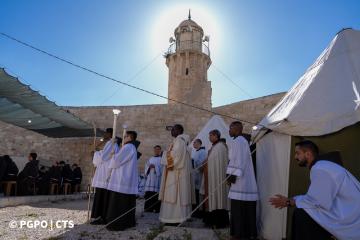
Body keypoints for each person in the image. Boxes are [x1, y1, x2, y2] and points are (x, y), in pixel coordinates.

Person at [269, 140, 360, 240]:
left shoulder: (321, 168)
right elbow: (316, 198)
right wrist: (292, 200)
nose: (295, 157)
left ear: (308, 154)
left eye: (298, 153)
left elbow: (318, 201)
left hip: (350, 219)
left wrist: (289, 202)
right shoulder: (323, 166)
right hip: (348, 213)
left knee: (301, 214)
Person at [227, 121, 258, 240]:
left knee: (238, 209)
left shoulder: (238, 142)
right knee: (245, 209)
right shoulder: (243, 141)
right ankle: (247, 233)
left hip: (240, 181)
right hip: (245, 181)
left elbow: (237, 160)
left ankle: (238, 234)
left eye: (230, 128)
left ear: (236, 129)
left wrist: (231, 176)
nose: (229, 131)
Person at [159, 124, 194, 224]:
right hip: (179, 174)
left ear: (178, 130)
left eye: (173, 129)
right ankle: (180, 217)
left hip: (175, 173)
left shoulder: (179, 141)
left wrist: (164, 153)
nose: (171, 131)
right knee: (179, 195)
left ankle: (173, 218)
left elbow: (175, 157)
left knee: (174, 194)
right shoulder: (183, 141)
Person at [105, 131, 139, 231]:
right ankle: (127, 222)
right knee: (126, 203)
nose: (124, 138)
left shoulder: (128, 147)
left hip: (121, 181)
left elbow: (117, 161)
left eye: (126, 136)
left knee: (118, 203)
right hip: (126, 180)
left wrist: (113, 156)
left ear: (130, 137)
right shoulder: (131, 147)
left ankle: (117, 223)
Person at [201, 130, 229, 228]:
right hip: (212, 177)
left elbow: (217, 163)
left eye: (210, 136)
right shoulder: (215, 146)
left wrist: (206, 163)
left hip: (217, 178)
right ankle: (211, 220)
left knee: (218, 198)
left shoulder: (220, 147)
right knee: (212, 198)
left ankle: (219, 222)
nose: (209, 138)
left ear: (216, 136)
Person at [90, 128, 119, 225]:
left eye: (106, 133)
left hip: (104, 173)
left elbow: (103, 157)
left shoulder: (111, 144)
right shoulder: (112, 144)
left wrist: (96, 153)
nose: (104, 135)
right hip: (105, 172)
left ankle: (101, 217)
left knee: (102, 195)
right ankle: (102, 216)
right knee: (103, 195)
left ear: (110, 134)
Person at [144, 145, 163, 213]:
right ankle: (148, 208)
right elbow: (146, 166)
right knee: (149, 194)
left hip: (156, 180)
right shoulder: (150, 158)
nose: (156, 151)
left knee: (156, 194)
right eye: (155, 149)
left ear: (160, 151)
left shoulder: (162, 159)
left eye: (158, 149)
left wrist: (155, 167)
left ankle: (156, 209)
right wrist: (149, 167)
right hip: (150, 179)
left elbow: (162, 169)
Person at [191, 139, 207, 218]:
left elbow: (203, 163)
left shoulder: (203, 152)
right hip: (196, 175)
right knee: (196, 194)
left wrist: (194, 163)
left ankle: (200, 211)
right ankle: (196, 210)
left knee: (200, 194)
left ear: (199, 143)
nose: (193, 144)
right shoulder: (196, 151)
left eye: (195, 142)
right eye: (193, 143)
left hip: (200, 176)